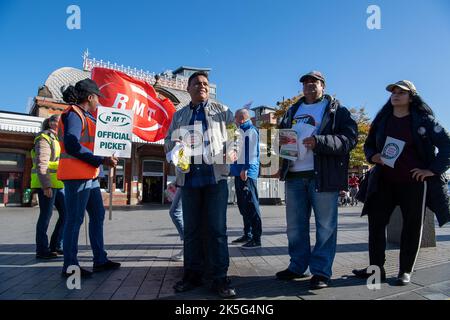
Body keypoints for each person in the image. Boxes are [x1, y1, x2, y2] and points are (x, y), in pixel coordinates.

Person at [352, 80, 450, 285]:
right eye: (393, 92)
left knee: (412, 227)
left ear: (411, 97)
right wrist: (373, 156)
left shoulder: (425, 120)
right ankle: (376, 270)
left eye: (401, 92)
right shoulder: (382, 120)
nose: (395, 95)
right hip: (384, 182)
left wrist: (431, 170)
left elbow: (446, 145)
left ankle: (405, 271)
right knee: (376, 225)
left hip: (413, 182)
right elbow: (369, 146)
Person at [276, 71, 358, 289]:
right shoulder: (292, 110)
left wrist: (320, 141)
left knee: (325, 227)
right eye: (305, 82)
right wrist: (280, 164)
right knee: (295, 227)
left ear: (323, 85)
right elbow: (283, 139)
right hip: (294, 176)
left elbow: (350, 138)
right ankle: (297, 266)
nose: (309, 85)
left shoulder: (336, 110)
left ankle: (321, 272)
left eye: (314, 82)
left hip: (322, 176)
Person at [164, 71, 237, 298]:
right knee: (192, 231)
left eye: (205, 84)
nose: (202, 86)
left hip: (215, 177)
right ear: (188, 89)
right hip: (189, 179)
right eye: (197, 83)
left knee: (217, 230)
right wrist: (173, 145)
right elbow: (167, 142)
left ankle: (219, 278)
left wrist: (234, 150)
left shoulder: (223, 111)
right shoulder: (179, 116)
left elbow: (235, 137)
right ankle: (192, 275)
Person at [58, 78, 121, 278]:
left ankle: (100, 260)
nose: (99, 103)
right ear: (90, 97)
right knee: (74, 220)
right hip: (77, 176)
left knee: (97, 215)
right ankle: (70, 266)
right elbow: (72, 144)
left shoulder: (86, 117)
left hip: (89, 176)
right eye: (98, 99)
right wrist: (100, 159)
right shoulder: (74, 115)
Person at [32, 115, 66, 259]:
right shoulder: (44, 138)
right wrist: (46, 186)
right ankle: (42, 249)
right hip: (46, 185)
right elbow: (42, 163)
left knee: (66, 214)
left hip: (57, 184)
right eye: (60, 122)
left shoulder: (56, 139)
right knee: (45, 216)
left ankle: (55, 245)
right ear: (52, 123)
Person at [230, 108, 262, 249]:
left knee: (251, 205)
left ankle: (256, 238)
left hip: (247, 173)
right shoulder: (241, 131)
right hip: (239, 172)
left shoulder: (251, 130)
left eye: (235, 118)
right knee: (243, 205)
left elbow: (252, 152)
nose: (234, 121)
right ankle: (247, 234)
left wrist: (246, 168)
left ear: (241, 118)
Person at [166, 182, 184, 261]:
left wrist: (177, 182)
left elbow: (185, 169)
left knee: (175, 212)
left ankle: (189, 247)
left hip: (187, 181)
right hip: (187, 181)